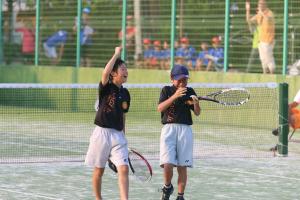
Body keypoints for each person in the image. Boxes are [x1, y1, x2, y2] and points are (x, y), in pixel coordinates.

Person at [85, 47, 130, 200]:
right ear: (114, 73)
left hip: (118, 135)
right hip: (101, 133)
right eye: (122, 68)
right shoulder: (106, 87)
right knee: (99, 171)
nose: (126, 71)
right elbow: (105, 73)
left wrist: (124, 135)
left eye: (126, 69)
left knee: (124, 169)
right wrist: (116, 54)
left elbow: (123, 115)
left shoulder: (126, 93)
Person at [158, 65, 201, 200]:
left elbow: (197, 113)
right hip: (169, 130)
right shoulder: (166, 90)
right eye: (179, 80)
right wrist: (175, 95)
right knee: (167, 163)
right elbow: (160, 108)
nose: (182, 83)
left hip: (185, 130)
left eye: (185, 80)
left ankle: (180, 196)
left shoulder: (190, 91)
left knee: (182, 166)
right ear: (172, 79)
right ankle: (167, 186)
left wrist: (196, 103)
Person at [246, 0, 276, 74]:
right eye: (259, 4)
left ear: (265, 5)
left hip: (268, 40)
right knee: (262, 59)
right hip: (261, 40)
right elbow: (249, 20)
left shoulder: (270, 13)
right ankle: (265, 74)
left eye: (261, 4)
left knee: (268, 58)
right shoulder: (259, 14)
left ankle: (272, 74)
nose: (260, 5)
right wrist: (248, 10)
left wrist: (261, 12)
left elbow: (268, 19)